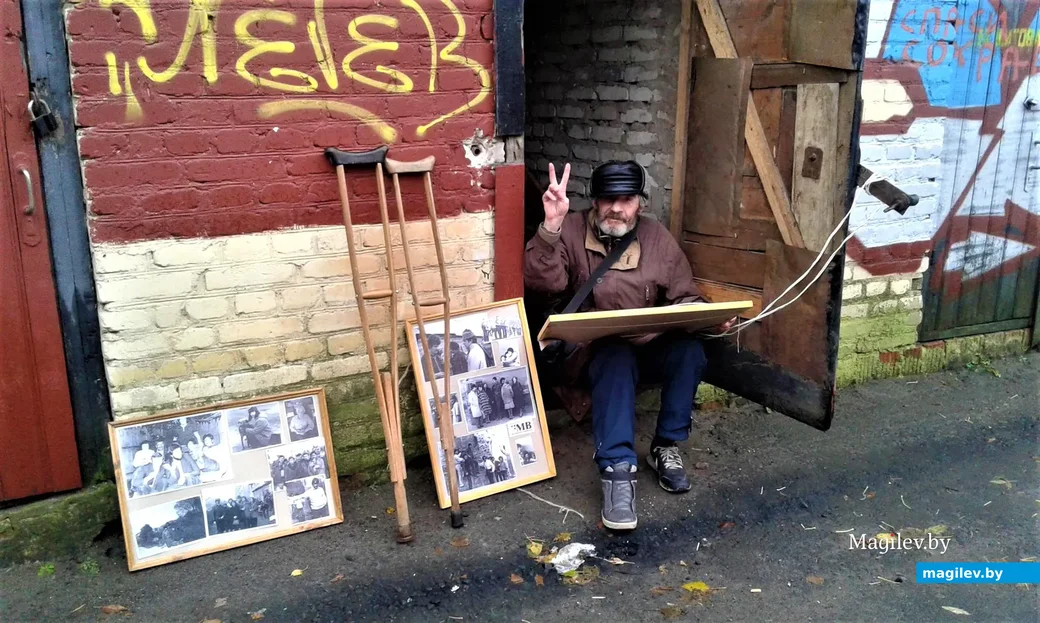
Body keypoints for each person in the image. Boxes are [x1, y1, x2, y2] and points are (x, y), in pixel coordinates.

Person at [524, 160, 736, 531]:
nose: (616, 209)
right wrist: (551, 226)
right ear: (594, 201)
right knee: (615, 355)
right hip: (589, 354)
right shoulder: (571, 230)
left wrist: (708, 316)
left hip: (645, 345)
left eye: (626, 199)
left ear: (641, 202)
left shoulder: (656, 238)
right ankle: (617, 470)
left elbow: (684, 295)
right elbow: (542, 285)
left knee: (688, 351)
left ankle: (665, 447)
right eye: (608, 199)